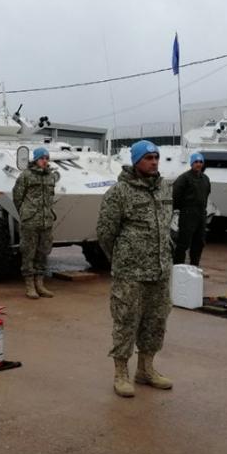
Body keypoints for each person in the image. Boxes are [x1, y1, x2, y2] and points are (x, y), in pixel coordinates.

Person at [97, 140, 173, 397]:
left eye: (156, 157)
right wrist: (122, 257)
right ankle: (121, 373)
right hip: (130, 273)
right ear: (136, 161)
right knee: (126, 323)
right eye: (148, 158)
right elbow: (106, 233)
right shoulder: (119, 192)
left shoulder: (164, 188)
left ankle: (146, 369)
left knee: (156, 322)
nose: (153, 162)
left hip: (160, 270)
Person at [12, 146, 59, 300]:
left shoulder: (51, 176)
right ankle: (29, 285)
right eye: (42, 158)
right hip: (30, 220)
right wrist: (26, 212)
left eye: (46, 158)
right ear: (36, 159)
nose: (44, 161)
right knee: (28, 252)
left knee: (43, 252)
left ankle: (40, 283)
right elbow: (17, 196)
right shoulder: (26, 175)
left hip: (46, 221)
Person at [172, 152, 211, 267]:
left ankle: (194, 267)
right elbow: (176, 195)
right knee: (183, 243)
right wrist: (180, 209)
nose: (198, 164)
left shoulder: (205, 179)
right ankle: (178, 267)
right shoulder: (184, 178)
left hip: (201, 214)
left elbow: (207, 193)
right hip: (187, 214)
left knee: (199, 243)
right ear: (191, 163)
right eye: (196, 162)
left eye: (200, 162)